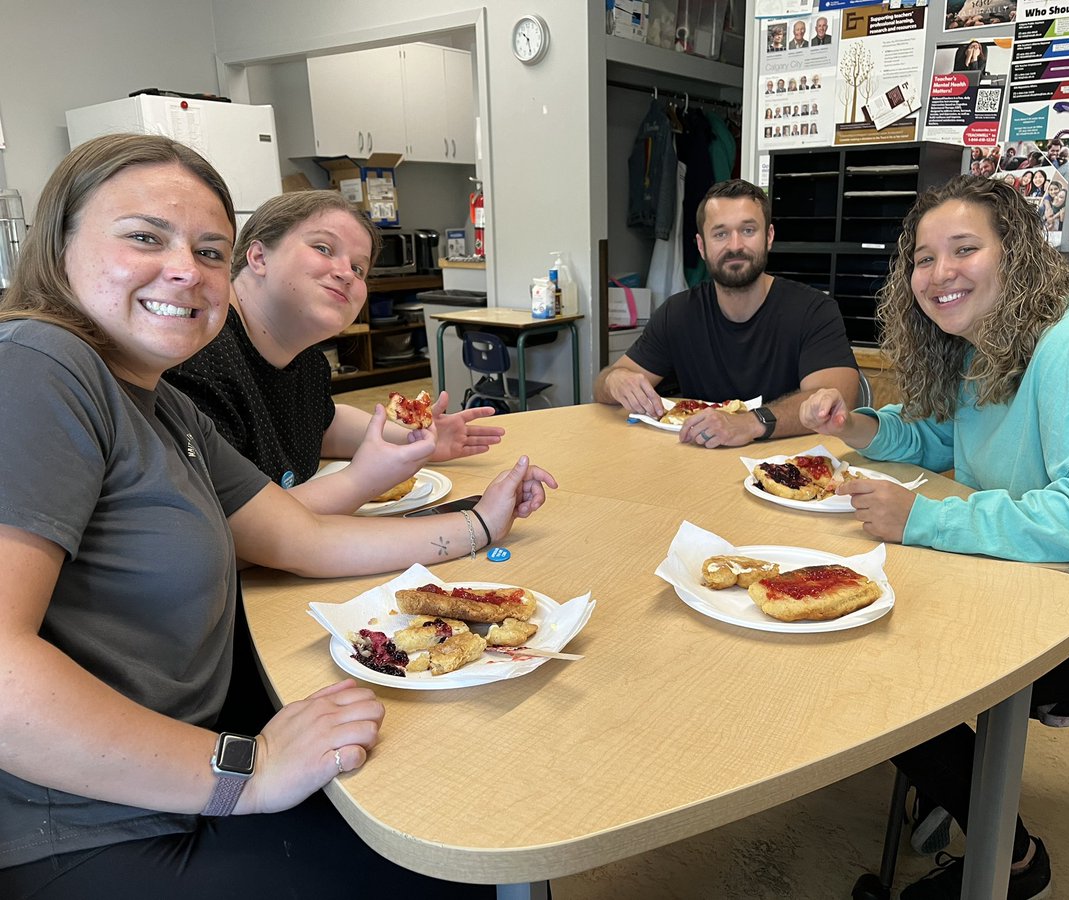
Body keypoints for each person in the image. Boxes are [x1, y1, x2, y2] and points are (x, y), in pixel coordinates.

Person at [0, 133, 557, 898]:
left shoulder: (165, 408)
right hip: (85, 827)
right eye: (144, 237)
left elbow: (301, 535)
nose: (184, 272)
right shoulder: (40, 366)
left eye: (206, 251)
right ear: (58, 244)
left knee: (470, 806)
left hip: (176, 777)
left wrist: (481, 528)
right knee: (459, 863)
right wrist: (247, 771)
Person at [797, 176, 1069, 899]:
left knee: (888, 672)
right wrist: (854, 428)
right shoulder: (998, 343)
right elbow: (951, 439)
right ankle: (957, 784)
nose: (939, 272)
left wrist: (925, 520)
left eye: (964, 249)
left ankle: (1012, 861)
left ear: (1014, 254)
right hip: (1027, 581)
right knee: (878, 638)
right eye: (922, 257)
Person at [164, 191, 504, 517]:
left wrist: (415, 440)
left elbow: (321, 424)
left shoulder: (307, 359)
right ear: (258, 257)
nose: (345, 273)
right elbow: (229, 526)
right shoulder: (200, 359)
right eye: (323, 248)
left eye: (358, 269)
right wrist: (361, 481)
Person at [593, 178, 859, 448]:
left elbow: (838, 399)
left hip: (788, 469)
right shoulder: (678, 313)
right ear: (701, 246)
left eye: (747, 230)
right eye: (720, 233)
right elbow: (606, 384)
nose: (735, 245)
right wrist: (616, 380)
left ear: (768, 237)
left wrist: (749, 423)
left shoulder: (814, 310)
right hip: (697, 464)